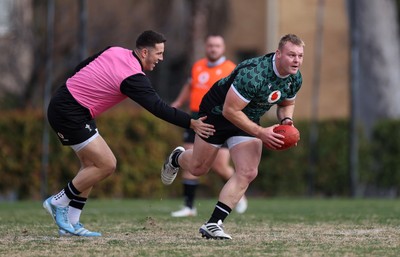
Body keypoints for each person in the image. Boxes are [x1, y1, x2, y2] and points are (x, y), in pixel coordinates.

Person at [43, 30, 215, 237]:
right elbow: (158, 107)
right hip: (69, 111)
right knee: (107, 164)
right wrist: (191, 123)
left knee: (90, 166)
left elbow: (81, 67)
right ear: (144, 52)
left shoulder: (114, 50)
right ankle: (58, 201)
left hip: (71, 104)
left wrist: (82, 88)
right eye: (158, 54)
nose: (161, 59)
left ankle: (71, 225)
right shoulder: (133, 77)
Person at [161, 34, 305, 239]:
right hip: (217, 113)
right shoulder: (255, 74)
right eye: (292, 55)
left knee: (248, 171)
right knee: (198, 168)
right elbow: (230, 111)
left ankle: (213, 224)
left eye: (300, 56)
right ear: (279, 54)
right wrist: (261, 132)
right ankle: (176, 158)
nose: (297, 60)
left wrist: (287, 123)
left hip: (247, 117)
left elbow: (286, 104)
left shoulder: (295, 78)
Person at [170, 35, 247, 217]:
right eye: (210, 45)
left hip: (221, 118)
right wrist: (179, 102)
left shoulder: (230, 68)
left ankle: (239, 195)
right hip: (197, 117)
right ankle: (189, 207)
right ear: (206, 47)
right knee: (192, 157)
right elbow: (189, 86)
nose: (213, 49)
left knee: (220, 165)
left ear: (223, 48)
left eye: (217, 46)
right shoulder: (197, 66)